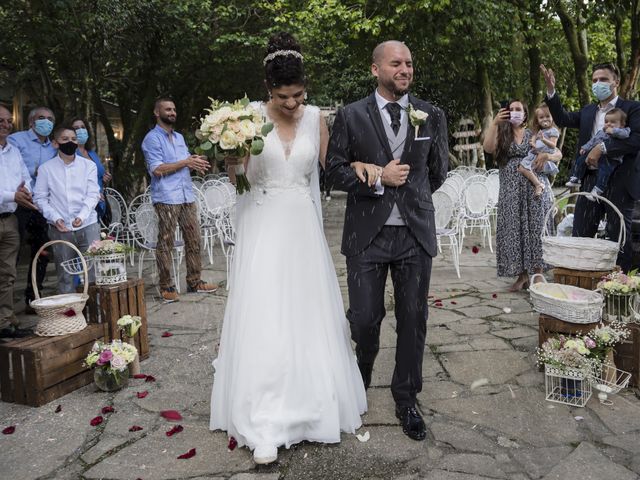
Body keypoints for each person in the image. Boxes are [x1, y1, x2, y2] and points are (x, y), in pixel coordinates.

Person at [210, 32, 367, 465]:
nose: (293, 104)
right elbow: (238, 182)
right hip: (262, 226)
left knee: (304, 311)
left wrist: (362, 166)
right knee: (265, 312)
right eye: (283, 97)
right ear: (268, 90)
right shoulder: (244, 121)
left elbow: (327, 172)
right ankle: (264, 416)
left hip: (300, 227)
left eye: (298, 95)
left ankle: (312, 404)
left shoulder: (317, 117)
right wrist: (230, 158)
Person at [326, 40, 449, 442]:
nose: (405, 69)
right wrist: (380, 178)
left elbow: (438, 172)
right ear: (375, 69)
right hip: (367, 234)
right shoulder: (349, 115)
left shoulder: (431, 115)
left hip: (414, 234)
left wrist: (409, 195)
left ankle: (406, 397)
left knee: (413, 320)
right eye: (396, 63)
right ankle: (359, 377)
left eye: (409, 63)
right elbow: (335, 173)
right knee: (364, 318)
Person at [541, 63, 640, 272]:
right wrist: (551, 91)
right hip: (589, 180)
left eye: (603, 80)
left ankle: (618, 290)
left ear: (616, 82)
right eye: (594, 80)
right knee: (581, 235)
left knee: (619, 239)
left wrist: (602, 148)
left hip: (620, 181)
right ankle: (582, 287)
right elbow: (562, 118)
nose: (598, 84)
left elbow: (635, 141)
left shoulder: (632, 108)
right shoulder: (588, 111)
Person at [141, 97, 217, 302]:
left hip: (186, 194)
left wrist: (195, 162)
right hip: (166, 197)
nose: (172, 112)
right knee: (165, 242)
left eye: (174, 109)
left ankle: (195, 281)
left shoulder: (180, 138)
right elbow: (157, 169)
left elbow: (183, 163)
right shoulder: (152, 139)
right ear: (157, 113)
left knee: (194, 239)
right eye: (168, 109)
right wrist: (185, 162)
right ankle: (166, 286)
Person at [483, 99, 562, 292]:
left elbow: (557, 153)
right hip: (510, 189)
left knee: (536, 227)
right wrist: (494, 122)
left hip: (535, 187)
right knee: (514, 230)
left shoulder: (535, 134)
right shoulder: (502, 133)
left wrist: (546, 156)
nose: (514, 112)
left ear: (525, 114)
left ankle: (538, 274)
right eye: (511, 110)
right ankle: (522, 276)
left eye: (518, 109)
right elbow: (488, 148)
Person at [33, 127, 101, 293]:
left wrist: (82, 216)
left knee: (93, 270)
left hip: (88, 224)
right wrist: (55, 218)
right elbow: (40, 198)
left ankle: (96, 312)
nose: (70, 142)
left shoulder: (89, 166)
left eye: (73, 138)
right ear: (55, 143)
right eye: (65, 139)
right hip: (60, 227)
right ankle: (70, 314)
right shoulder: (46, 169)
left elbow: (93, 194)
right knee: (65, 273)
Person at [7, 106, 57, 313]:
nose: (46, 122)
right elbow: (9, 167)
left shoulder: (53, 148)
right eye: (41, 118)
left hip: (41, 205)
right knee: (12, 253)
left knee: (42, 251)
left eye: (50, 119)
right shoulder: (16, 141)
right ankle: (6, 304)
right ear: (31, 122)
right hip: (18, 203)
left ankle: (33, 296)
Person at [0, 105, 37, 338]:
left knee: (7, 273)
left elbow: (24, 178)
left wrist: (26, 192)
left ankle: (5, 321)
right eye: (0, 120)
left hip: (9, 219)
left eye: (8, 121)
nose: (5, 124)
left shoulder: (13, 151)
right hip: (8, 205)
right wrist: (12, 195)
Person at [565, 108, 631, 199]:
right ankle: (576, 177)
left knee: (604, 171)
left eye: (613, 122)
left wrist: (614, 131)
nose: (608, 124)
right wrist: (585, 147)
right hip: (596, 156)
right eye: (606, 121)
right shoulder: (601, 132)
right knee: (581, 159)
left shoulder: (624, 130)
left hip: (611, 159)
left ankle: (598, 190)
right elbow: (592, 141)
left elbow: (625, 135)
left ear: (622, 125)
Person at [69, 117, 113, 220]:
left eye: (83, 127)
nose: (80, 130)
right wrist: (94, 194)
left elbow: (97, 177)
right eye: (76, 128)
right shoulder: (70, 154)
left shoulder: (92, 153)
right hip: (81, 205)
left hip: (99, 204)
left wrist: (105, 178)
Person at [517, 104, 560, 196]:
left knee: (524, 167)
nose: (545, 119)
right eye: (541, 117)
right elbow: (534, 139)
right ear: (537, 121)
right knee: (522, 168)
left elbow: (554, 147)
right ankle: (538, 185)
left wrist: (543, 140)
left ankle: (538, 185)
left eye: (548, 116)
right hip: (534, 155)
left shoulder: (553, 131)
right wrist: (533, 142)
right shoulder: (538, 132)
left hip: (541, 157)